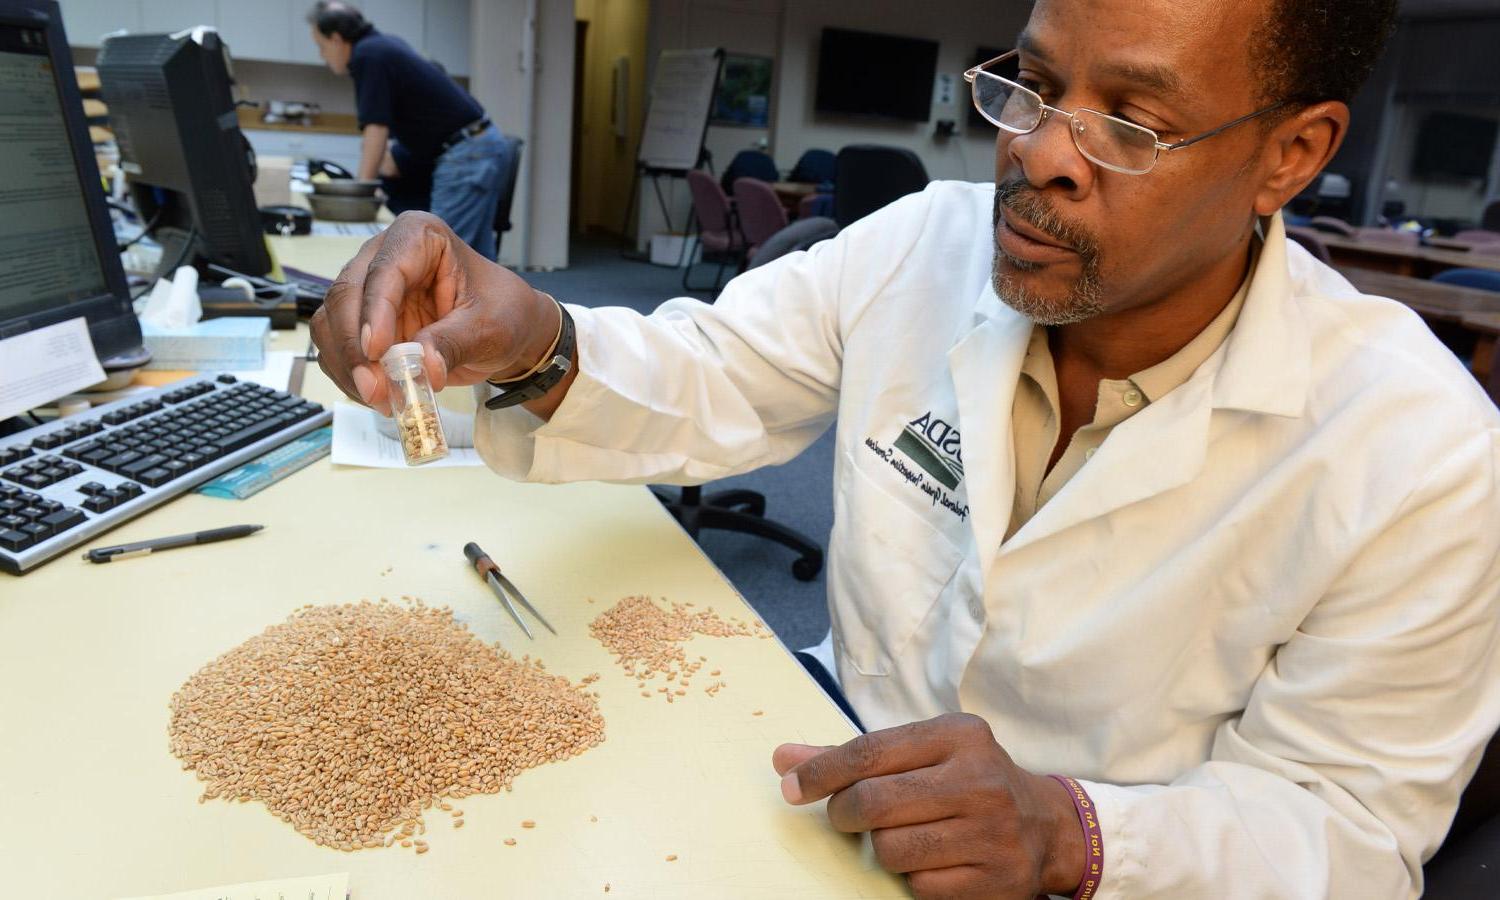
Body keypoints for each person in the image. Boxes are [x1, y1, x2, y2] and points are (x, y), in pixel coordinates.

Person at [311, 0, 1500, 895]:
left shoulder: (1421, 453)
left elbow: (1346, 830)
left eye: (1133, 123)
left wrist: (1073, 832)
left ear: (1290, 155)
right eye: (1032, 85)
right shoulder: (923, 244)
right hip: (824, 774)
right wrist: (537, 342)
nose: (1038, 151)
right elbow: (714, 372)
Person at [307, 0, 511, 260]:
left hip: (466, 155)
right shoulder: (383, 46)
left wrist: (361, 196)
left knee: (441, 256)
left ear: (336, 39)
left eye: (321, 47)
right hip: (478, 146)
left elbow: (376, 129)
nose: (322, 56)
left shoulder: (368, 55)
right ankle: (493, 302)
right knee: (475, 258)